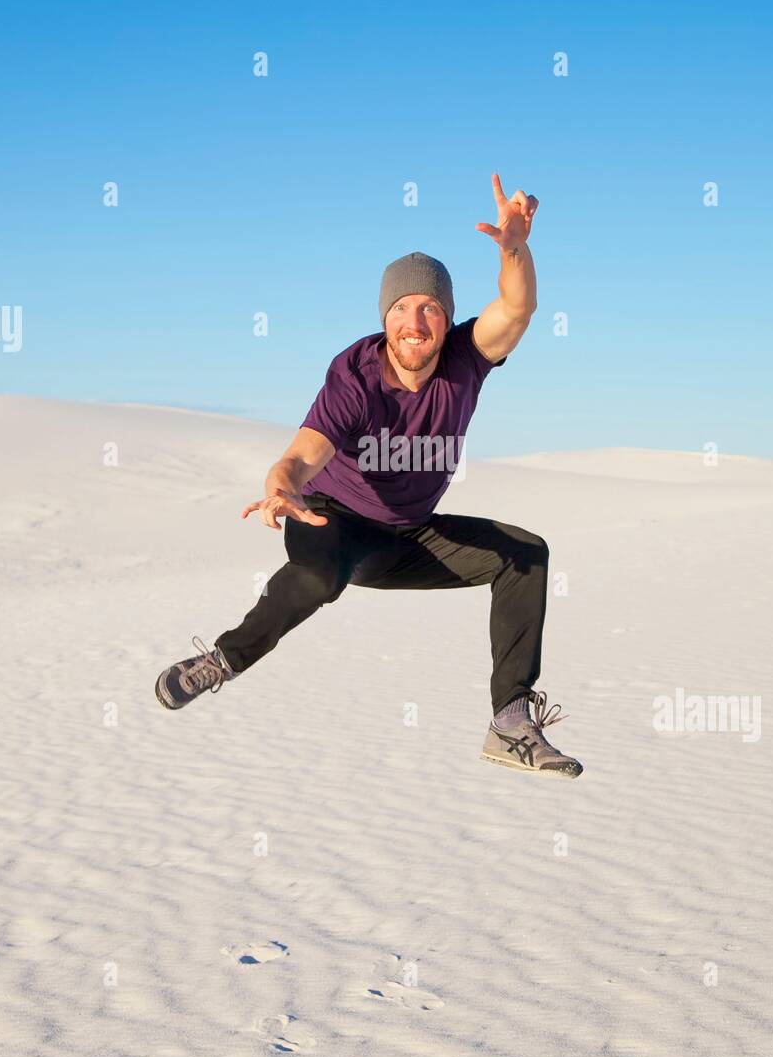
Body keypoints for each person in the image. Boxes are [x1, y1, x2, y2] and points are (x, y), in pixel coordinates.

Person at [155, 174, 582, 778]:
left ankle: (510, 723)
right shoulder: (355, 375)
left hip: (409, 537)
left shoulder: (466, 360)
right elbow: (304, 454)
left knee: (525, 555)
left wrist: (514, 249)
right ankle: (223, 660)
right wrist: (281, 486)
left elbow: (517, 307)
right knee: (320, 573)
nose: (416, 320)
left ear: (447, 318)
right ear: (386, 317)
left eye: (430, 307)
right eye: (402, 307)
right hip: (333, 522)